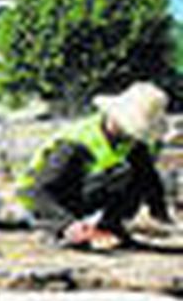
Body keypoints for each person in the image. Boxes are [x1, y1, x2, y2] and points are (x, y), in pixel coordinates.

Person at [18, 81, 172, 250]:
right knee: (121, 173)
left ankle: (109, 227)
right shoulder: (75, 144)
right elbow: (37, 191)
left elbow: (148, 176)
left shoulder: (129, 142)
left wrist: (160, 213)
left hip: (79, 194)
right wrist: (66, 224)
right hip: (43, 202)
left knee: (132, 173)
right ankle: (61, 232)